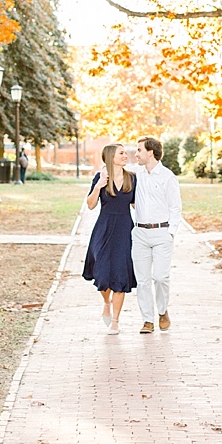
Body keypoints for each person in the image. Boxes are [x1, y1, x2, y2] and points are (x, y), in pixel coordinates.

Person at [128, 135, 184, 334]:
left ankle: (162, 311)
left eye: (139, 150)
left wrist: (170, 233)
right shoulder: (137, 174)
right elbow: (116, 173)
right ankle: (147, 320)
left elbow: (175, 208)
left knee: (160, 277)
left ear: (150, 152)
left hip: (161, 233)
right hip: (140, 233)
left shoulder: (168, 177)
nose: (136, 154)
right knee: (142, 280)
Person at [81, 143, 137, 333]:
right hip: (103, 229)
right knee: (103, 272)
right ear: (111, 156)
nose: (125, 156)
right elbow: (90, 205)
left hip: (124, 230)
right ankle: (106, 301)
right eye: (121, 153)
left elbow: (138, 205)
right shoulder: (100, 177)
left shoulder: (132, 178)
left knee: (120, 274)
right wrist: (98, 186)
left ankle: (115, 321)